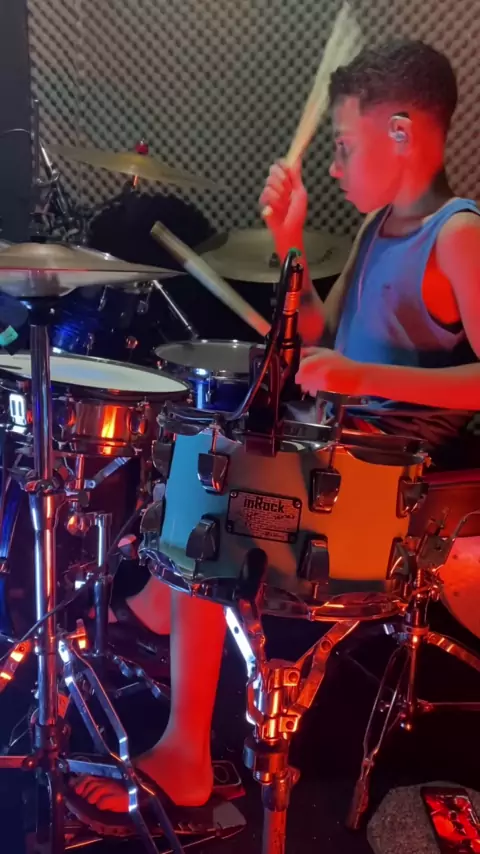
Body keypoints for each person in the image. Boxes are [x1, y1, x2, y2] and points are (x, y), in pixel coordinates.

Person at [70, 38, 480, 826]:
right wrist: (291, 236)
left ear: (401, 133)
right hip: (340, 452)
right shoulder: (379, 228)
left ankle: (186, 751)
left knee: (212, 490)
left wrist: (361, 377)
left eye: (345, 144)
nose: (334, 164)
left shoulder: (457, 234)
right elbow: (321, 330)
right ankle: (164, 608)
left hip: (389, 483)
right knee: (206, 445)